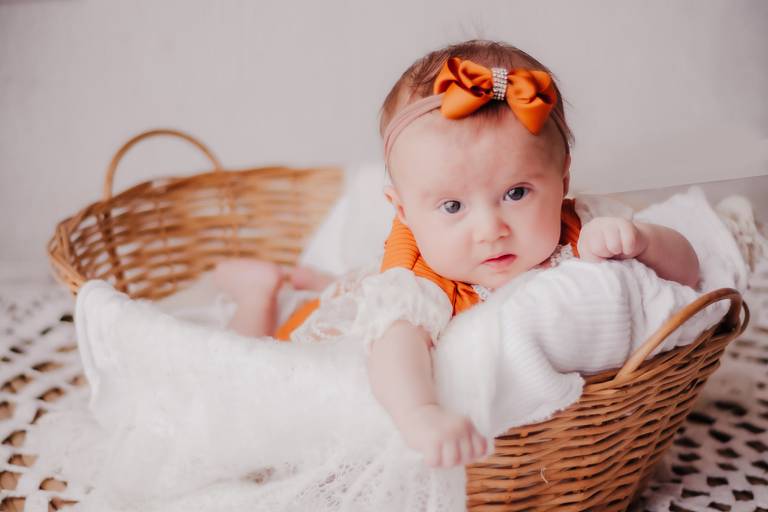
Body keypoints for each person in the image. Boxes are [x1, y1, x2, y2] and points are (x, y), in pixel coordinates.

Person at [212, 39, 700, 470]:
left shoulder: (582, 226)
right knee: (246, 368)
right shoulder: (419, 284)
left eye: (516, 193)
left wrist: (643, 240)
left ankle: (314, 279)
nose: (490, 231)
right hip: (323, 329)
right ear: (403, 211)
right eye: (452, 206)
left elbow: (688, 277)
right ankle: (259, 294)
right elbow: (394, 349)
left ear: (563, 180)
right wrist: (421, 413)